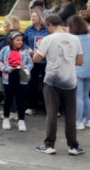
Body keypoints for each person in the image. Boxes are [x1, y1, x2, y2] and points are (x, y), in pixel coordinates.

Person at [34, 14, 84, 156]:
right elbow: (80, 61)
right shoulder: (75, 39)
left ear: (50, 25)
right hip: (70, 80)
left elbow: (36, 58)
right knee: (70, 114)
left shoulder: (48, 39)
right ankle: (73, 145)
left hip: (52, 79)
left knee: (51, 113)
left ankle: (49, 144)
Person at [0, 31, 32, 132]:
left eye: (21, 40)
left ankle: (21, 120)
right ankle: (6, 118)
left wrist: (26, 67)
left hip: (21, 76)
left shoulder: (25, 51)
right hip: (9, 76)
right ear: (11, 41)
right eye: (17, 40)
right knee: (8, 98)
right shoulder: (5, 50)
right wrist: (6, 68)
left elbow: (30, 63)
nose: (20, 42)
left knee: (20, 99)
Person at [70, 15, 90, 130]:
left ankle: (79, 121)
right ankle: (89, 119)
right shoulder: (89, 37)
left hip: (78, 69)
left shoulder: (74, 39)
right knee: (86, 95)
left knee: (78, 96)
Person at [24, 11, 50, 115]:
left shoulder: (47, 30)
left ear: (40, 18)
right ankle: (31, 106)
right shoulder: (28, 29)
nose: (33, 18)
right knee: (32, 83)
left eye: (35, 16)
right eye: (32, 16)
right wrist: (29, 49)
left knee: (47, 83)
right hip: (33, 59)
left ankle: (49, 107)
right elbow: (23, 42)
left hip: (46, 60)